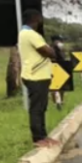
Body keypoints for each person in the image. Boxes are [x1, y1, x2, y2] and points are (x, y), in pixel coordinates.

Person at [18, 10, 60, 148]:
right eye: (39, 18)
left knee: (41, 107)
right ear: (36, 19)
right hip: (35, 76)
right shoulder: (31, 34)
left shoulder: (25, 33)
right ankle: (38, 138)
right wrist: (52, 50)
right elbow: (49, 52)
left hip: (38, 75)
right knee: (37, 108)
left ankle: (43, 136)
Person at [50, 34, 67, 111]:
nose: (60, 42)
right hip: (54, 67)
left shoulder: (60, 48)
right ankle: (57, 103)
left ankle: (60, 101)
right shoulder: (51, 48)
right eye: (59, 40)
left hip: (60, 67)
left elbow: (64, 57)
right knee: (54, 87)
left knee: (60, 86)